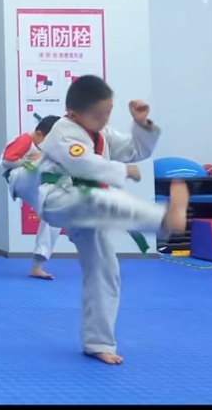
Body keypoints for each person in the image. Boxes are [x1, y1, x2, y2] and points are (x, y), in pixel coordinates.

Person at [36, 74, 189, 365]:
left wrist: (141, 125)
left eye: (108, 113)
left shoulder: (100, 132)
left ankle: (98, 342)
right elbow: (83, 163)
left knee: (105, 271)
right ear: (73, 114)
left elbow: (134, 149)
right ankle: (164, 219)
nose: (104, 120)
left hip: (87, 206)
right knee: (102, 200)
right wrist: (122, 171)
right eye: (98, 115)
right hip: (59, 198)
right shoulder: (63, 132)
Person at [0, 114, 63, 280]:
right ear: (39, 134)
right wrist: (28, 162)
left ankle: (37, 265)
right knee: (46, 161)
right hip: (16, 177)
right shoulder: (26, 139)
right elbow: (6, 161)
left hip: (34, 185)